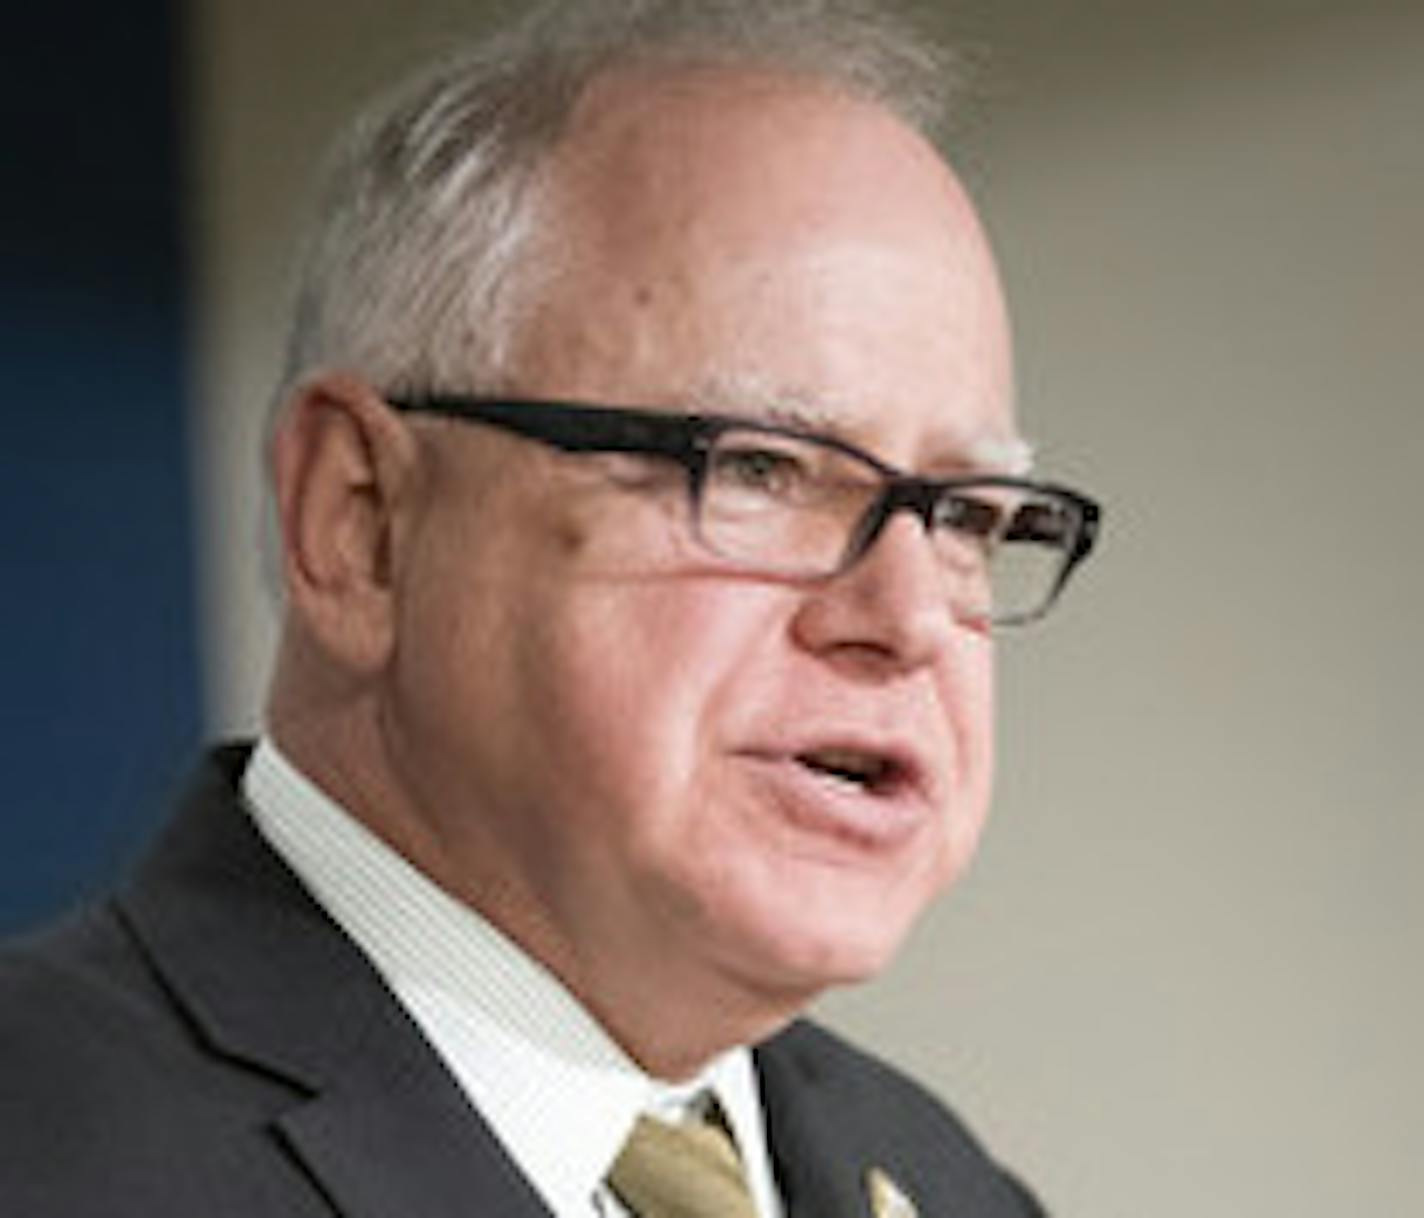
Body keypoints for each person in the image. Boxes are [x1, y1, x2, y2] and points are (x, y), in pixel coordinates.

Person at [0, 2, 1100, 1215]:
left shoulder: (948, 1187)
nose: (903, 617)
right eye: (757, 469)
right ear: (359, 521)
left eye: (964, 515)